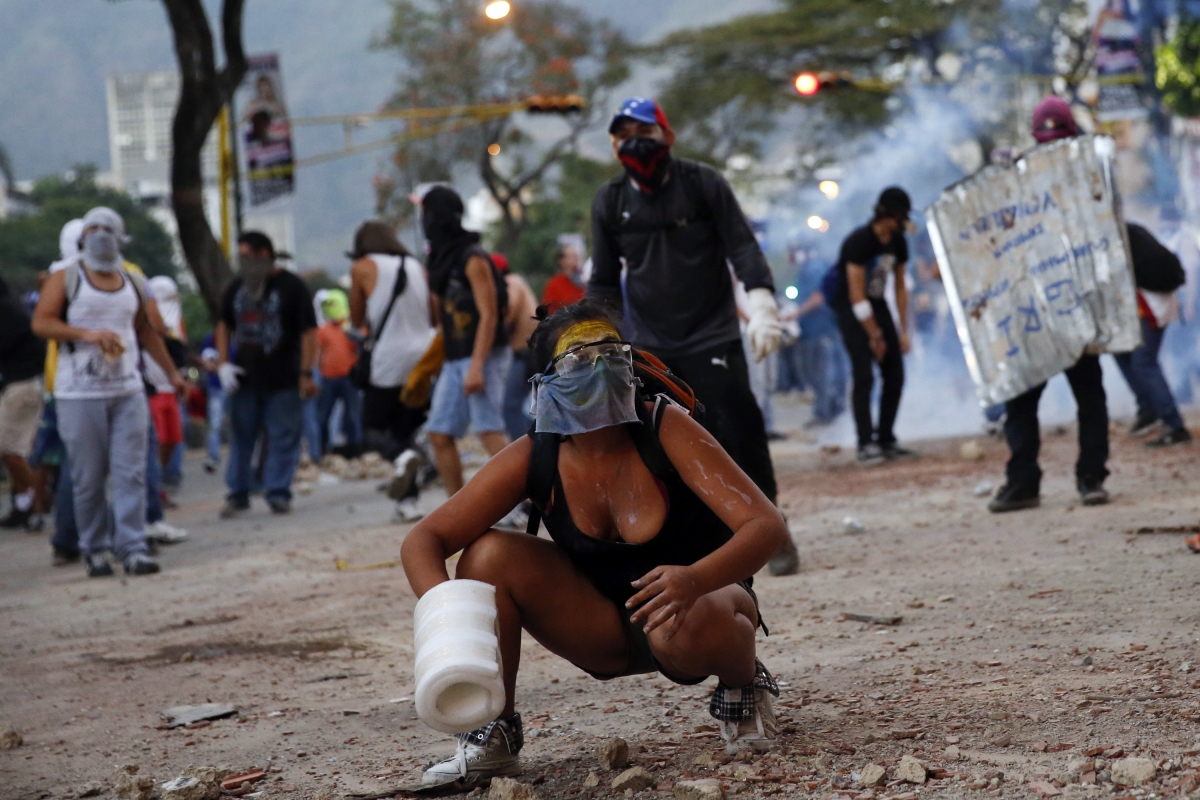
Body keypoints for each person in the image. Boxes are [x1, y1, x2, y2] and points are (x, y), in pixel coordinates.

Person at [402, 301, 788, 789]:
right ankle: (492, 729)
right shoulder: (535, 455)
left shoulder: (663, 427)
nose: (601, 367)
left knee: (686, 621)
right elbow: (424, 539)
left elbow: (765, 525)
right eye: (580, 359)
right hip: (598, 629)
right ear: (546, 385)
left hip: (700, 608)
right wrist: (450, 630)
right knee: (488, 556)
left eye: (612, 352)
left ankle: (743, 685)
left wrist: (695, 579)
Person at [589, 96, 798, 576]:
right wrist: (596, 334)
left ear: (667, 135)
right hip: (650, 344)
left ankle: (773, 527)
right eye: (622, 135)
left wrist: (763, 301)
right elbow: (603, 279)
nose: (633, 142)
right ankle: (701, 541)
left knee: (738, 430)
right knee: (660, 446)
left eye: (643, 130)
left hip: (712, 334)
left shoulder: (703, 183)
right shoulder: (611, 201)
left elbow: (742, 247)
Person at [31, 206, 185, 576]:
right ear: (83, 236)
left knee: (130, 471)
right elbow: (42, 322)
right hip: (78, 393)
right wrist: (85, 334)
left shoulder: (132, 280)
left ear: (121, 237)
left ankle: (131, 546)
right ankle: (95, 549)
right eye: (93, 228)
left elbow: (147, 331)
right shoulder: (66, 278)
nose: (100, 234)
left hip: (127, 389)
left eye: (108, 228)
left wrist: (172, 373)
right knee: (88, 476)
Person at [989, 96, 1111, 512]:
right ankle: (1024, 482)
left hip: (1075, 303)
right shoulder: (1018, 178)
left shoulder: (1089, 173)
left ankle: (1090, 477)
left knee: (1089, 398)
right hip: (1032, 309)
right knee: (1022, 402)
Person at [216, 231, 317, 517]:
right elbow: (224, 325)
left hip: (284, 378)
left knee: (283, 437)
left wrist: (307, 372)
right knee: (242, 438)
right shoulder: (236, 288)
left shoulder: (292, 287)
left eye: (247, 256)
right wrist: (224, 363)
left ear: (264, 255)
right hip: (244, 379)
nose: (243, 262)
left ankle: (278, 492)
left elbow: (309, 331)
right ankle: (238, 493)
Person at [421, 186, 511, 498]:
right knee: (439, 433)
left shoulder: (472, 258)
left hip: (483, 353)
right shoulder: (439, 261)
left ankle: (532, 499)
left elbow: (489, 315)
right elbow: (440, 317)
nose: (426, 221)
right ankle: (456, 507)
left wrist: (476, 367)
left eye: (430, 214)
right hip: (456, 356)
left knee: (488, 429)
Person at [347, 220, 437, 523]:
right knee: (404, 430)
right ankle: (409, 502)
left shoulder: (362, 267)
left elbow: (357, 317)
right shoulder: (416, 266)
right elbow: (433, 312)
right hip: (421, 357)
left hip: (389, 359)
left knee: (371, 431)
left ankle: (401, 457)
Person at [821, 187, 916, 465]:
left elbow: (899, 288)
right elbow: (855, 294)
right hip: (851, 308)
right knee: (864, 374)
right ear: (889, 215)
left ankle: (886, 437)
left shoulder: (898, 242)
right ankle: (865, 442)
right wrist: (874, 335)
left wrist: (903, 330)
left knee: (894, 371)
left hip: (876, 303)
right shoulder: (859, 242)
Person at [1115, 222, 1191, 447]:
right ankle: (1148, 409)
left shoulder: (1120, 235)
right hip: (1147, 304)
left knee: (1143, 363)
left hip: (1151, 305)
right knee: (1122, 353)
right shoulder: (1129, 230)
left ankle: (1175, 425)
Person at [0, 274, 48, 532]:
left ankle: (37, 499)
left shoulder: (5, 312)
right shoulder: (13, 307)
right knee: (16, 449)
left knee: (10, 447)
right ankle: (24, 503)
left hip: (22, 385)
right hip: (23, 383)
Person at [493, 253, 539, 441]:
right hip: (530, 351)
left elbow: (508, 313)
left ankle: (530, 450)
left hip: (526, 353)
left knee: (509, 407)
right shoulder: (517, 280)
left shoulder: (510, 282)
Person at [314, 289, 362, 456]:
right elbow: (318, 353)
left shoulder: (351, 329)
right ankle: (322, 449)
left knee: (352, 416)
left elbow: (358, 350)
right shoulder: (323, 330)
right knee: (322, 416)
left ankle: (354, 449)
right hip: (328, 378)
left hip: (349, 377)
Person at [540, 243, 585, 314]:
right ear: (561, 260)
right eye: (571, 255)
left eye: (577, 255)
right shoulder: (554, 284)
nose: (576, 258)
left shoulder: (585, 280)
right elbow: (548, 311)